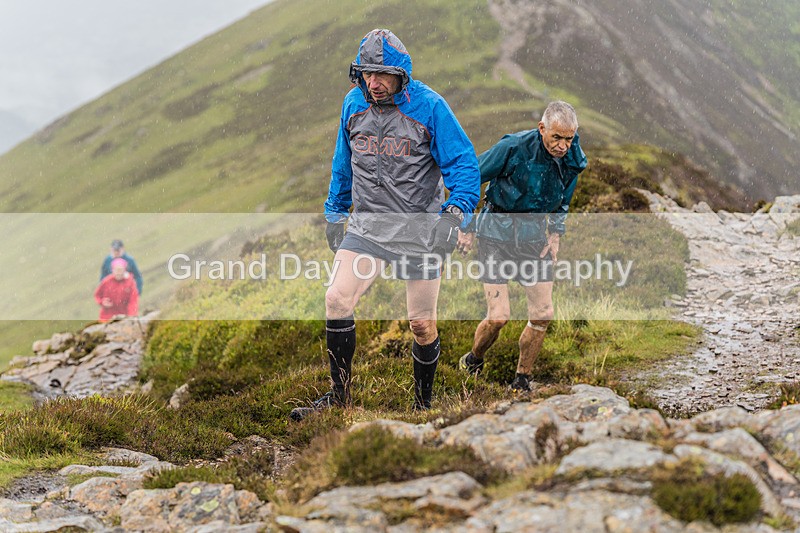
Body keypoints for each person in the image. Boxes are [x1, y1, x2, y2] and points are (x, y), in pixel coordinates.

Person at [289, 29, 480, 421]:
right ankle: (339, 399)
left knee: (421, 324)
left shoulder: (429, 107)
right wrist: (336, 212)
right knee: (336, 299)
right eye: (366, 74)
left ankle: (422, 407)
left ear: (401, 75)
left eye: (382, 75)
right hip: (368, 227)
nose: (373, 83)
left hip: (420, 231)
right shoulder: (352, 104)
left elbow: (464, 164)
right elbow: (343, 163)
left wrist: (456, 212)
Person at [457, 101, 587, 392]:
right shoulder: (513, 147)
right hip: (495, 234)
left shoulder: (571, 158)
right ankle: (474, 359)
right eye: (557, 138)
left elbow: (564, 198)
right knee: (499, 316)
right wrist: (466, 226)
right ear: (542, 129)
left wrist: (555, 234)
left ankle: (522, 379)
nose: (563, 145)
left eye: (569, 138)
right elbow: (470, 177)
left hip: (533, 238)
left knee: (543, 313)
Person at [94, 257, 139, 322]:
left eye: (120, 270)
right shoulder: (106, 281)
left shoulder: (130, 282)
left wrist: (131, 316)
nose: (118, 273)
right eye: (116, 270)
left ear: (124, 270)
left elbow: (133, 301)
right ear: (112, 270)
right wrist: (102, 302)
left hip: (124, 317)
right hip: (107, 317)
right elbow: (97, 295)